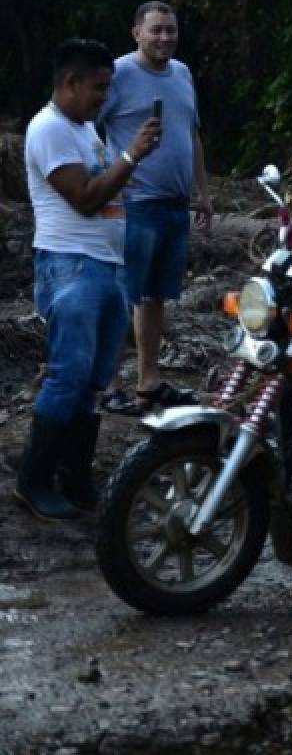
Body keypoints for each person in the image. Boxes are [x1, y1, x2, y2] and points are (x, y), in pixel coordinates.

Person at [18, 38, 160, 520]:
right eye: (98, 87)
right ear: (70, 82)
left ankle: (75, 477)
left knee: (95, 381)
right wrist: (132, 156)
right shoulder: (49, 129)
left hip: (106, 265)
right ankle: (34, 480)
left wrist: (124, 167)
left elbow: (104, 189)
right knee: (69, 375)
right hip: (71, 264)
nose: (105, 97)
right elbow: (83, 198)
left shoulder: (84, 129)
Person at [96, 0, 212, 414]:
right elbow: (92, 127)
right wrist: (105, 180)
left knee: (155, 297)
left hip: (175, 205)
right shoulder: (119, 74)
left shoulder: (182, 74)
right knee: (121, 294)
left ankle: (149, 381)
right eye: (156, 30)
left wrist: (203, 193)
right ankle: (109, 386)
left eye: (170, 30)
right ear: (137, 33)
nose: (164, 37)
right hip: (134, 203)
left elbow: (192, 136)